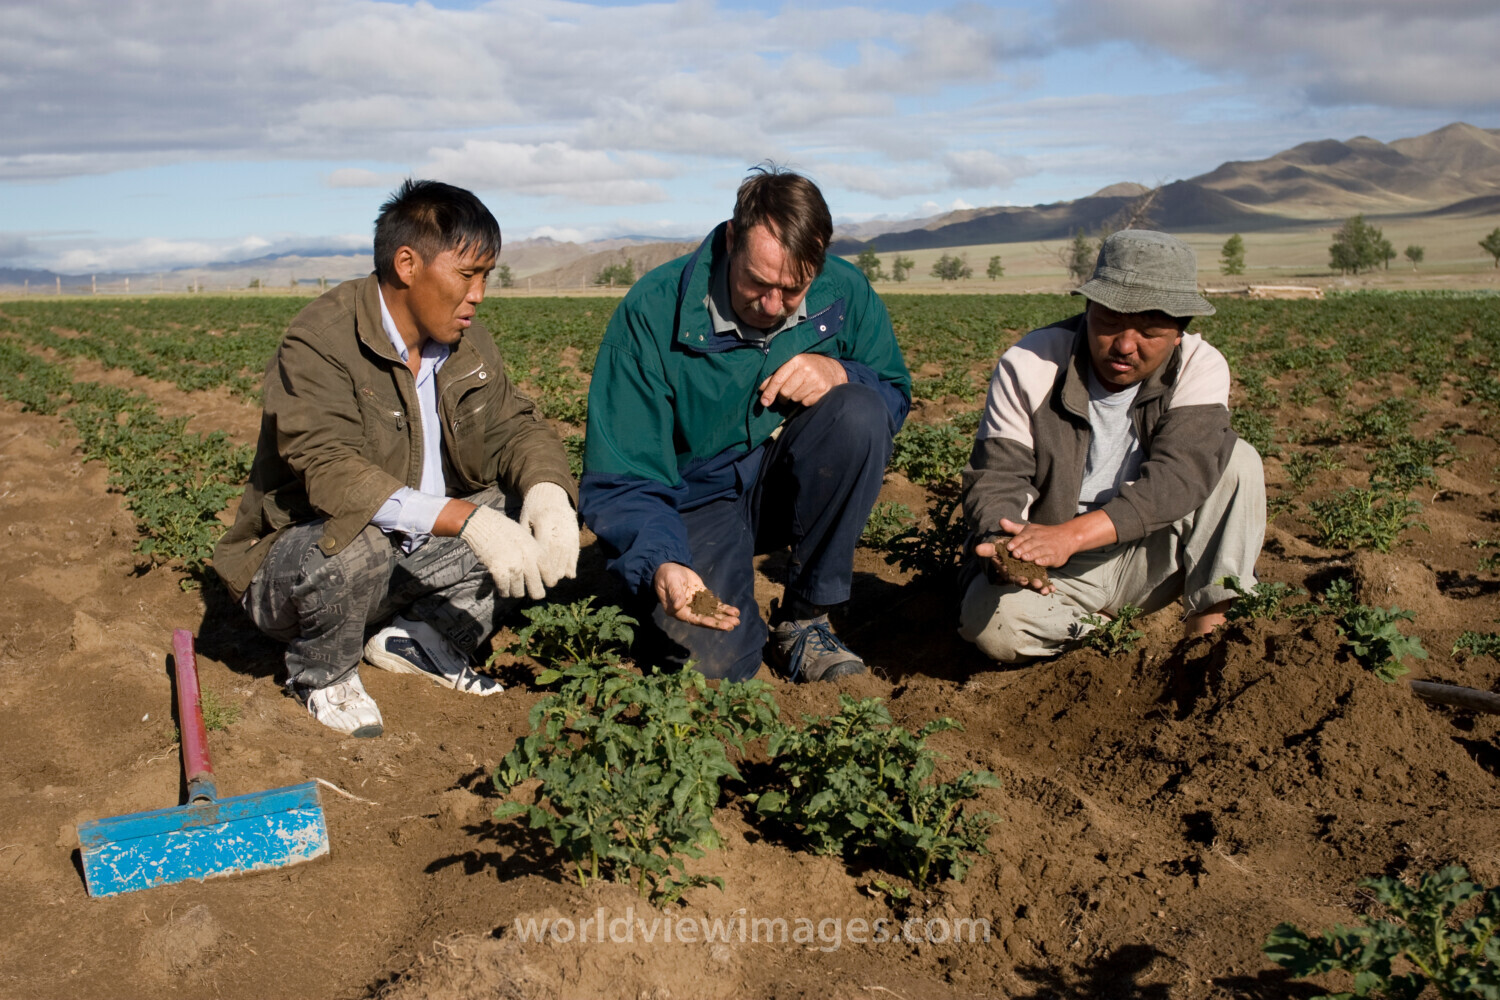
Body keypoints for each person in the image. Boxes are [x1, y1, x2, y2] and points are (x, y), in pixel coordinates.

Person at [213, 180, 579, 737]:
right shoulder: (319, 342)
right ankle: (324, 675)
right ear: (407, 264)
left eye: (487, 276)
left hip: (408, 558)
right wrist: (465, 519)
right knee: (355, 538)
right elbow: (329, 469)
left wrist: (550, 496)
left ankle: (418, 639)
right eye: (467, 274)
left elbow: (516, 427)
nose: (479, 294)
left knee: (525, 504)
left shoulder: (467, 343)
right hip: (301, 569)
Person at [581, 166, 910, 683]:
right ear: (732, 238)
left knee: (860, 410)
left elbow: (893, 392)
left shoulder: (844, 292)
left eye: (793, 289)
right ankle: (651, 579)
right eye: (757, 282)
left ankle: (804, 620)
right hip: (693, 499)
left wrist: (842, 371)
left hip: (784, 484)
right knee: (712, 667)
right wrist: (664, 561)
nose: (773, 306)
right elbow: (625, 476)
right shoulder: (653, 311)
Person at [958, 229, 1265, 662]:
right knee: (994, 627)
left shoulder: (1200, 365)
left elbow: (1180, 477)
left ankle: (1208, 644)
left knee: (1237, 460)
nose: (1124, 346)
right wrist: (1009, 549)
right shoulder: (1031, 363)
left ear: (1179, 332)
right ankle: (1113, 639)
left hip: (1148, 554)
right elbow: (997, 477)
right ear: (1087, 310)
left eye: (1149, 332)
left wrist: (1072, 535)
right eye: (1108, 322)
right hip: (1056, 569)